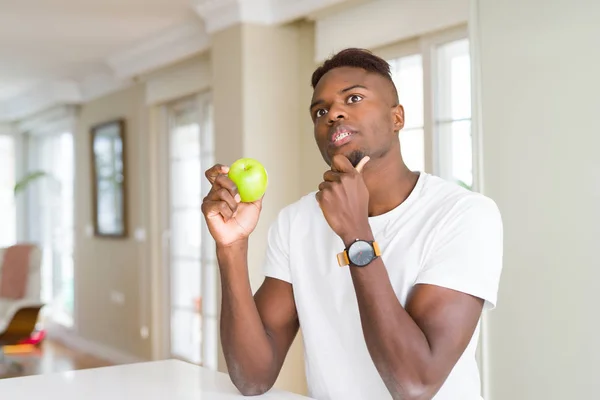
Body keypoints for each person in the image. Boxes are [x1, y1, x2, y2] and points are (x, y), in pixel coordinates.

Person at [201, 48, 503, 400]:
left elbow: (416, 384)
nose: (334, 114)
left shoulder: (464, 215)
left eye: (354, 98)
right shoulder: (296, 222)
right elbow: (252, 377)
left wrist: (356, 235)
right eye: (320, 111)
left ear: (397, 118)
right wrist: (231, 247)